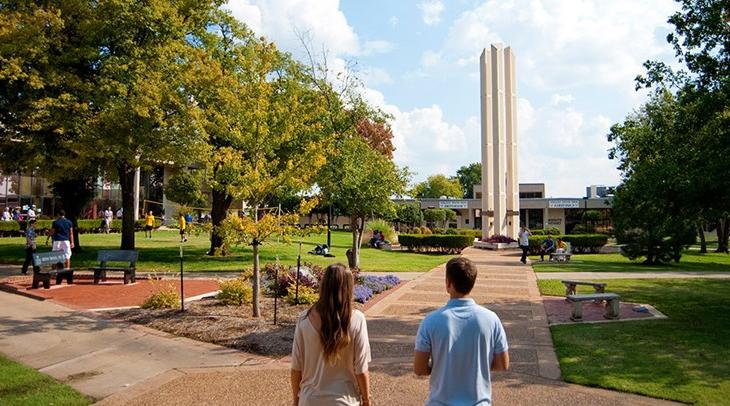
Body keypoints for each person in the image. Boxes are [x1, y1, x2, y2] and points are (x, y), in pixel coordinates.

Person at [414, 257, 509, 406]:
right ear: (472, 282)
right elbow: (503, 364)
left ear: (448, 283)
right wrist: (477, 365)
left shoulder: (430, 321)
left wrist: (441, 366)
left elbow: (419, 369)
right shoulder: (491, 319)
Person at [291, 263, 371, 406]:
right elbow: (361, 369)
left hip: (310, 399)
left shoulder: (304, 320)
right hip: (345, 400)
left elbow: (296, 368)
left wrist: (296, 400)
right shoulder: (357, 320)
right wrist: (366, 400)